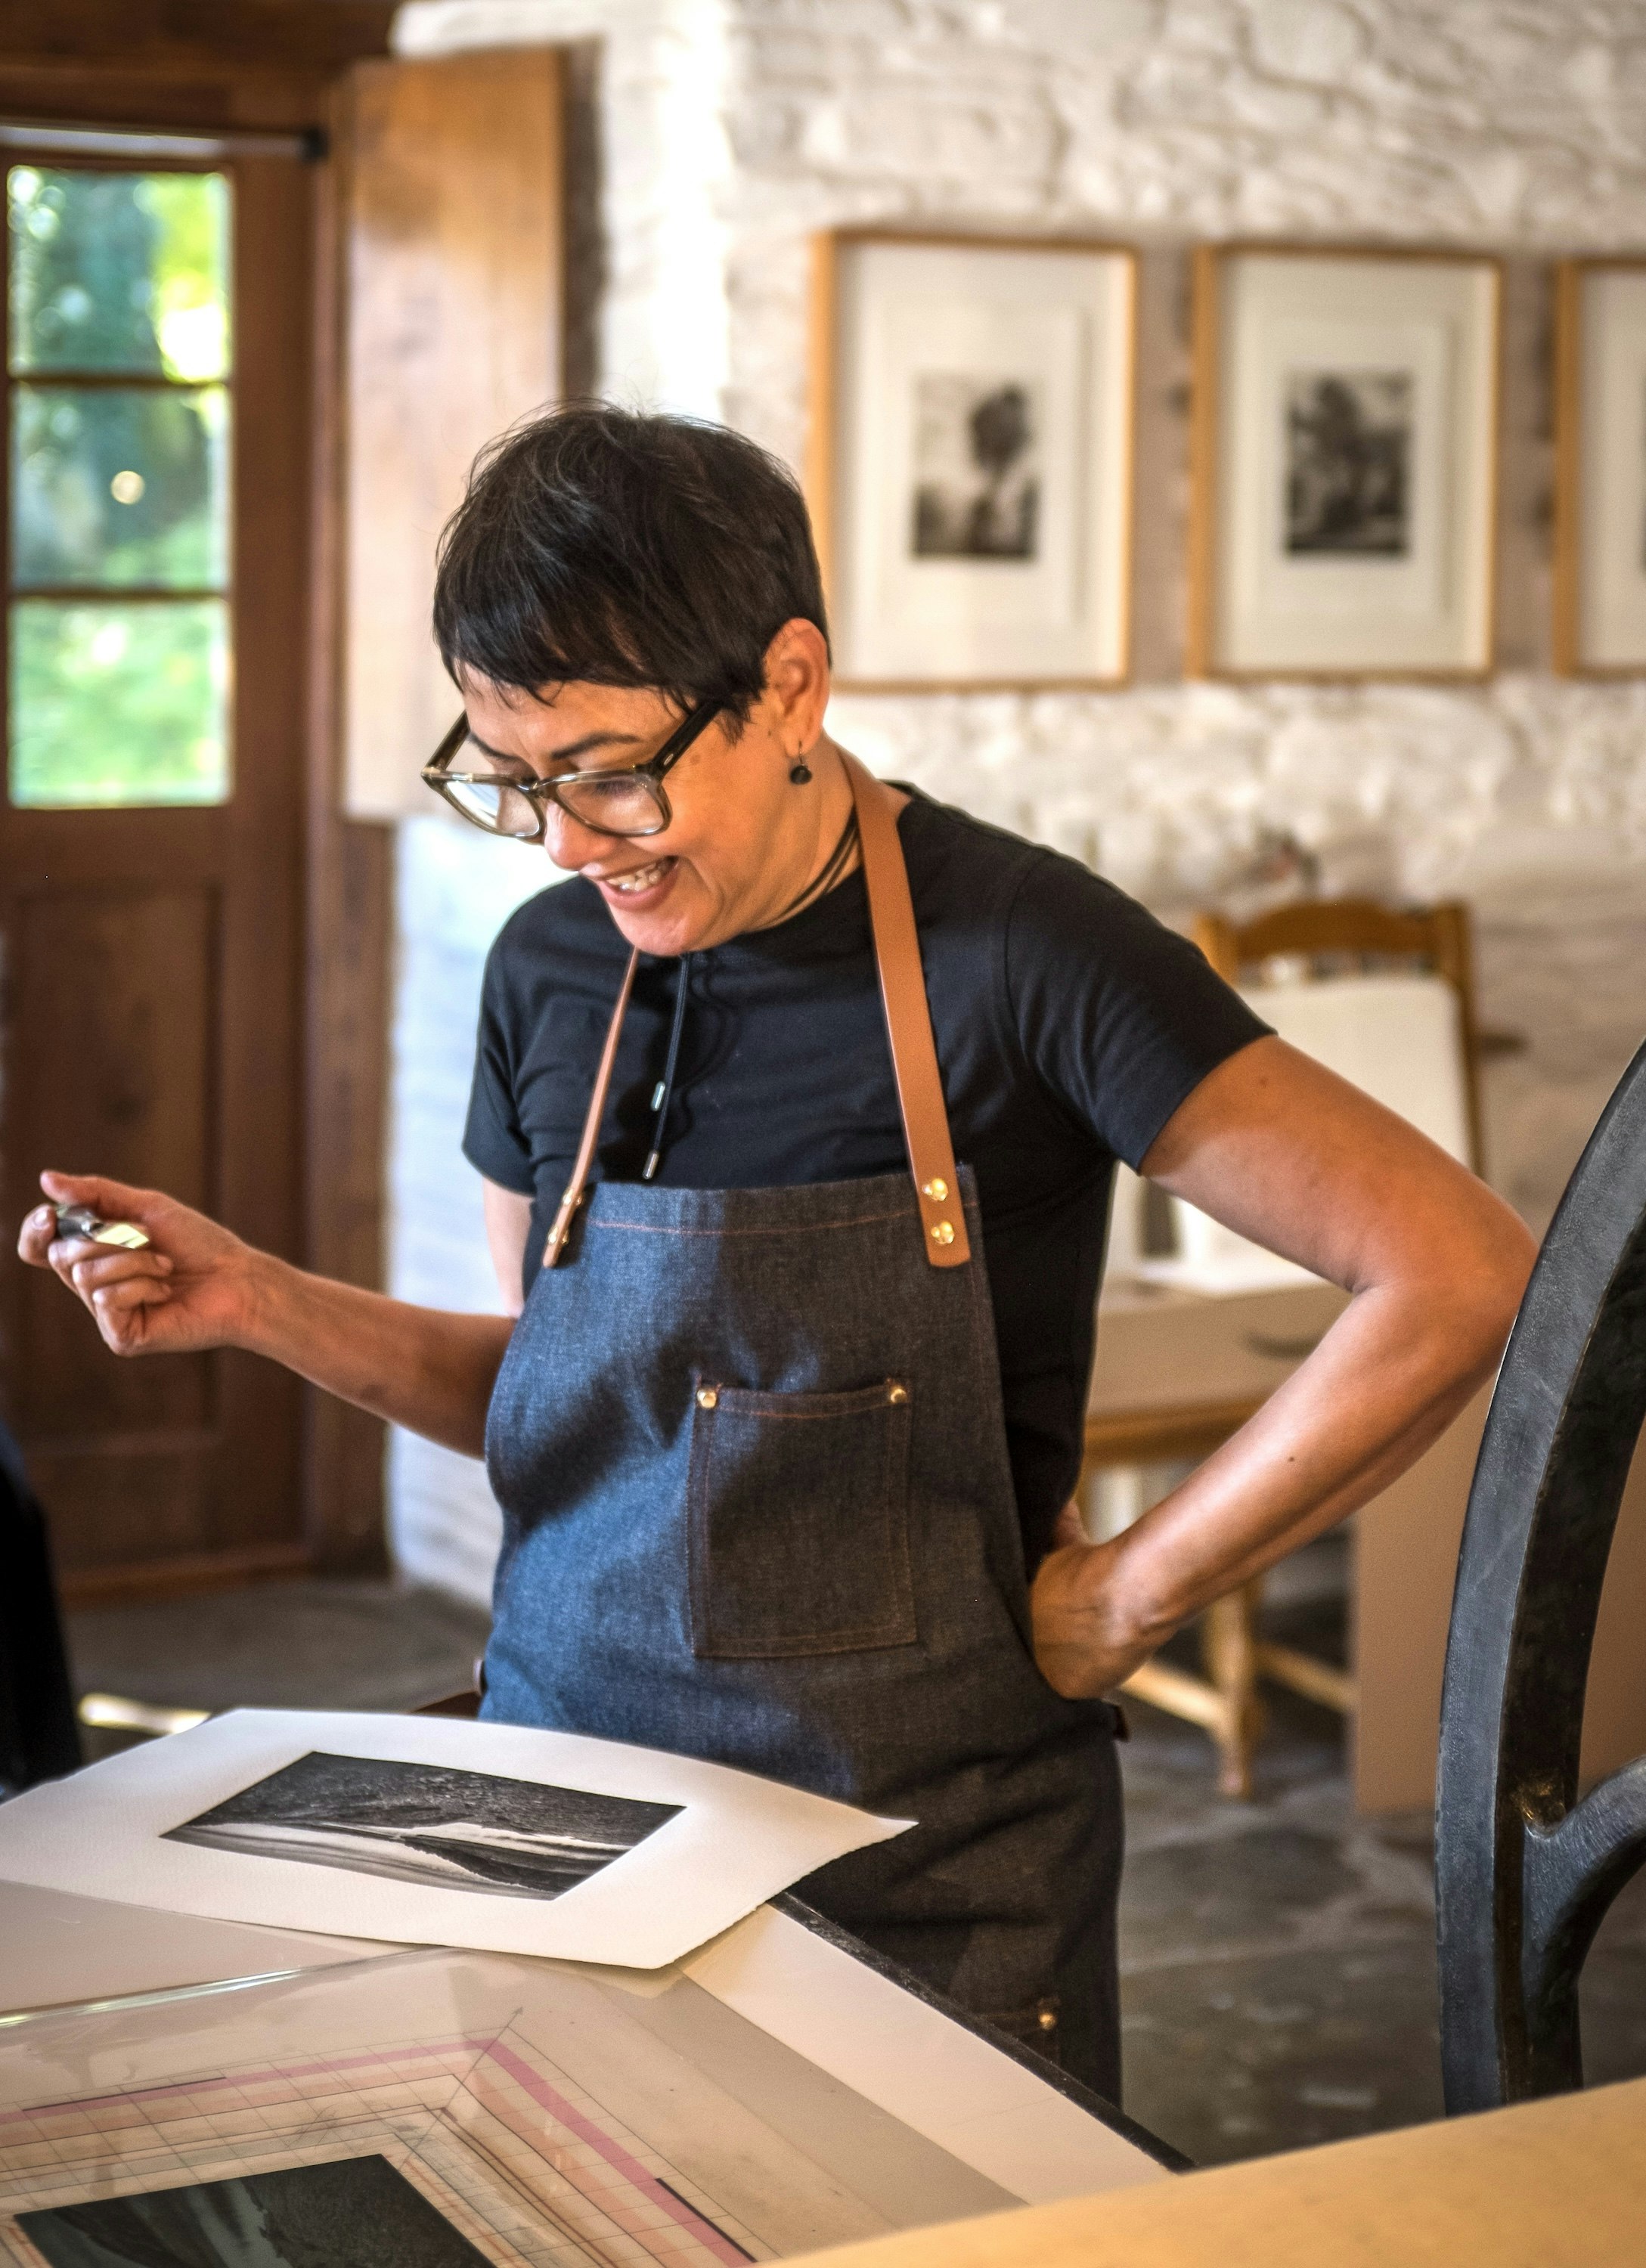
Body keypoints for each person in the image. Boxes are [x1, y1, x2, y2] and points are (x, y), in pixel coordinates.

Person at [19, 406, 1535, 2102]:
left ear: (790, 685)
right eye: (513, 777)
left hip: (919, 1882)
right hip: (567, 1835)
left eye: (610, 771)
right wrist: (259, 1299)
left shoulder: (1022, 953)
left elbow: (1453, 1265)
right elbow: (562, 1397)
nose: (567, 841)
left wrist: (1132, 1596)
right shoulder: (548, 973)